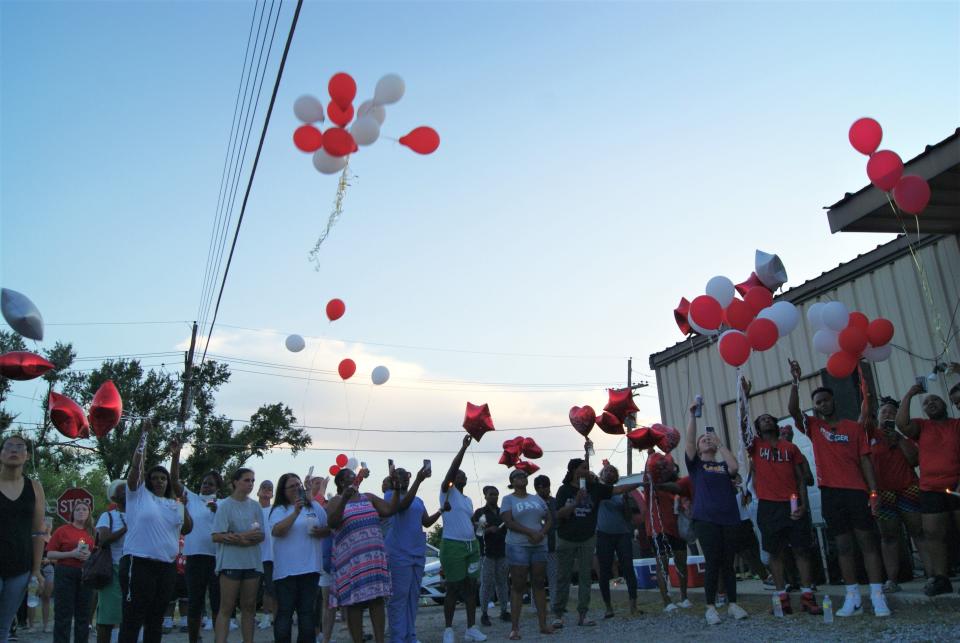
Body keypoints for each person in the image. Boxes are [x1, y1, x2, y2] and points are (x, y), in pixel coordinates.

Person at [787, 360, 888, 617]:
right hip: (831, 492)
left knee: (867, 542)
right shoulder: (814, 428)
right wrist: (795, 382)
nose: (823, 404)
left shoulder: (853, 429)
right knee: (843, 546)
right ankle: (852, 596)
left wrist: (873, 492)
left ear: (834, 402)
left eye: (826, 400)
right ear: (816, 408)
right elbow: (793, 409)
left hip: (856, 492)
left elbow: (865, 460)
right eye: (818, 402)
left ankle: (877, 595)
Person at [119, 419, 192, 643]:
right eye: (155, 478)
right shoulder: (139, 495)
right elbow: (135, 470)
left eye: (163, 478)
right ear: (148, 481)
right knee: (133, 617)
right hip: (139, 563)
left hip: (166, 566)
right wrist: (144, 436)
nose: (159, 481)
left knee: (155, 619)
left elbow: (187, 529)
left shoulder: (174, 503)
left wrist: (184, 505)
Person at [746, 409, 822, 616]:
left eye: (769, 418)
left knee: (801, 550)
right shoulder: (755, 446)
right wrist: (744, 396)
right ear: (758, 428)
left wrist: (804, 506)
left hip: (792, 503)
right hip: (768, 506)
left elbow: (800, 479)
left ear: (775, 425)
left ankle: (807, 596)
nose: (766, 420)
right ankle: (782, 598)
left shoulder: (790, 448)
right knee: (775, 553)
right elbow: (742, 424)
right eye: (762, 418)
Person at [552, 458, 639, 628]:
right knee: (563, 577)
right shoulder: (564, 490)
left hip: (587, 538)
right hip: (566, 538)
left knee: (585, 577)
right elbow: (559, 514)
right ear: (574, 471)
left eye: (587, 468)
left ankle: (583, 614)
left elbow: (618, 489)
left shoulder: (595, 488)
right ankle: (558, 614)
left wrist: (641, 482)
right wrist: (576, 502)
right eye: (584, 468)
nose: (587, 470)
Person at [684, 402, 749, 625]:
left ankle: (733, 604)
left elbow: (735, 468)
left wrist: (720, 443)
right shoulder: (696, 466)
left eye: (708, 438)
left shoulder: (722, 466)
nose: (706, 441)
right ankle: (710, 607)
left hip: (729, 519)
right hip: (706, 520)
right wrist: (693, 416)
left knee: (728, 563)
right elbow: (690, 442)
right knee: (713, 562)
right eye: (704, 441)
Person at [896, 383, 960, 596]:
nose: (931, 403)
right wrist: (910, 394)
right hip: (930, 488)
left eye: (935, 400)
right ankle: (941, 578)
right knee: (933, 534)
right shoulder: (922, 426)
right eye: (926, 402)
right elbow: (901, 424)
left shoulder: (956, 424)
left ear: (946, 405)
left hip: (957, 486)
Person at [325, 466, 399, 643]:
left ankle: (380, 640)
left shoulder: (369, 497)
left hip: (373, 557)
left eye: (355, 476)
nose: (354, 479)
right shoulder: (335, 501)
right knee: (355, 602)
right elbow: (332, 522)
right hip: (353, 561)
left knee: (377, 599)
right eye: (350, 477)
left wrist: (396, 488)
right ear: (341, 482)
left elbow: (390, 510)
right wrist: (344, 499)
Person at [866, 396, 924, 593]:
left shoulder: (903, 437)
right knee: (889, 536)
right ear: (878, 416)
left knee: (919, 532)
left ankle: (933, 575)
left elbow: (914, 461)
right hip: (883, 492)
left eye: (892, 412)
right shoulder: (869, 435)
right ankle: (892, 580)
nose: (888, 415)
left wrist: (898, 439)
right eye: (884, 412)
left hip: (908, 488)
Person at [384, 465, 442, 643]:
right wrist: (418, 480)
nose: (404, 479)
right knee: (399, 597)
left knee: (413, 596)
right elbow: (402, 506)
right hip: (399, 552)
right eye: (400, 476)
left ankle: (411, 635)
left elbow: (426, 522)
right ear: (394, 479)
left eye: (407, 476)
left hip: (417, 551)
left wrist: (441, 511)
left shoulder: (418, 500)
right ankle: (398, 638)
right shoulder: (389, 496)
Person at [269, 473, 329, 643]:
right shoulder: (279, 510)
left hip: (310, 569)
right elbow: (277, 531)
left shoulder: (314, 507)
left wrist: (321, 532)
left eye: (298, 485)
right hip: (286, 572)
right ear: (283, 490)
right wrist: (296, 512)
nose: (296, 488)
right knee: (284, 613)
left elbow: (328, 528)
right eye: (292, 486)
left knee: (307, 614)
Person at [438, 436, 486, 643]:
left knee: (470, 587)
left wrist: (478, 526)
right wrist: (463, 448)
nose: (461, 476)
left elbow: (466, 520)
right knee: (453, 587)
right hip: (453, 545)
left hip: (471, 545)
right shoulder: (447, 492)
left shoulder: (467, 500)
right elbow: (452, 469)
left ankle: (471, 629)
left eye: (464, 475)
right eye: (458, 474)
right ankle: (448, 630)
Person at [170, 454, 223, 643]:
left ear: (217, 488)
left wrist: (219, 511)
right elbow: (174, 480)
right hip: (194, 557)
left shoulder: (223, 504)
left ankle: (220, 639)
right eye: (204, 483)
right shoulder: (190, 498)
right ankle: (194, 639)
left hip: (217, 559)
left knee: (218, 604)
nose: (206, 486)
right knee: (195, 602)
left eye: (210, 484)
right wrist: (176, 454)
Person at [0, 435, 45, 643]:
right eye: (8, 446)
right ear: (1, 454)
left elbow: (38, 531)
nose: (14, 450)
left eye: (20, 447)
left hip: (20, 567)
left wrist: (36, 570)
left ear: (26, 456)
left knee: (4, 627)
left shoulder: (34, 487)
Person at [211, 468, 264, 643]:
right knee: (226, 607)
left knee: (249, 607)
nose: (250, 484)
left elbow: (260, 535)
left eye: (252, 481)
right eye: (246, 480)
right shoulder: (225, 505)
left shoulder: (255, 506)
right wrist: (241, 537)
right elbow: (217, 535)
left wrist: (240, 537)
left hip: (252, 562)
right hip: (231, 563)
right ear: (235, 482)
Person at [500, 468, 553, 640]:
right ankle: (515, 628)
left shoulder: (536, 498)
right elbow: (508, 521)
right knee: (518, 585)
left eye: (523, 475)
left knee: (538, 583)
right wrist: (530, 533)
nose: (522, 477)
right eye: (517, 476)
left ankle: (543, 624)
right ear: (512, 481)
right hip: (518, 546)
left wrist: (542, 533)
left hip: (539, 544)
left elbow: (549, 518)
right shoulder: (508, 499)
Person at [643, 459, 692, 612]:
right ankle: (667, 602)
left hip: (677, 528)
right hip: (658, 528)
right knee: (662, 564)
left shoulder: (678, 485)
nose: (666, 470)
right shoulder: (651, 484)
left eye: (669, 468)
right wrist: (650, 453)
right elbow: (648, 470)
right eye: (662, 468)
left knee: (681, 562)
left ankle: (684, 597)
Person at [595, 463, 639, 618]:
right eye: (607, 470)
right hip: (603, 534)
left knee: (628, 568)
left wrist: (626, 502)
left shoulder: (622, 493)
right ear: (601, 474)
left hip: (622, 534)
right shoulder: (598, 490)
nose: (609, 473)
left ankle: (633, 606)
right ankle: (608, 607)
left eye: (613, 471)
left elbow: (628, 517)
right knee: (604, 571)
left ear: (616, 476)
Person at [47, 502, 95, 642]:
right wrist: (71, 553)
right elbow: (50, 554)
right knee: (63, 613)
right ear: (73, 513)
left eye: (84, 509)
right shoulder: (62, 530)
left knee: (84, 614)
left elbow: (97, 553)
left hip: (86, 574)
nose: (81, 511)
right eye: (78, 509)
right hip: (65, 572)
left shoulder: (92, 532)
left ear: (88, 513)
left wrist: (89, 556)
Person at [94, 481, 128, 643]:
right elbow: (104, 539)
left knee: (132, 615)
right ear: (114, 497)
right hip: (114, 569)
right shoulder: (107, 516)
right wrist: (125, 529)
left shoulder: (141, 514)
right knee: (108, 616)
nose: (128, 493)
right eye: (123, 491)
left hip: (136, 569)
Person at [473, 486, 509, 627]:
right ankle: (484, 613)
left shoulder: (502, 513)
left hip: (502, 551)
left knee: (503, 583)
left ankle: (504, 611)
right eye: (491, 494)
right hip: (487, 553)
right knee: (486, 584)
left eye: (496, 494)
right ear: (485, 496)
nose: (494, 497)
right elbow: (478, 532)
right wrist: (489, 530)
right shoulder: (481, 513)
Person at [532, 476, 558, 608]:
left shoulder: (554, 501)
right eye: (543, 487)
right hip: (537, 545)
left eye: (548, 486)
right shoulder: (531, 502)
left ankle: (555, 603)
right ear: (537, 488)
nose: (547, 490)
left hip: (553, 544)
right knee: (537, 577)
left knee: (554, 576)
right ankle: (535, 605)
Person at [256, 480, 276, 631]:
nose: (267, 490)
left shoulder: (275, 510)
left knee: (270, 588)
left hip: (270, 555)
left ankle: (267, 616)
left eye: (270, 488)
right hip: (253, 555)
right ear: (258, 491)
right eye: (264, 487)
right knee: (252, 589)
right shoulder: (252, 509)